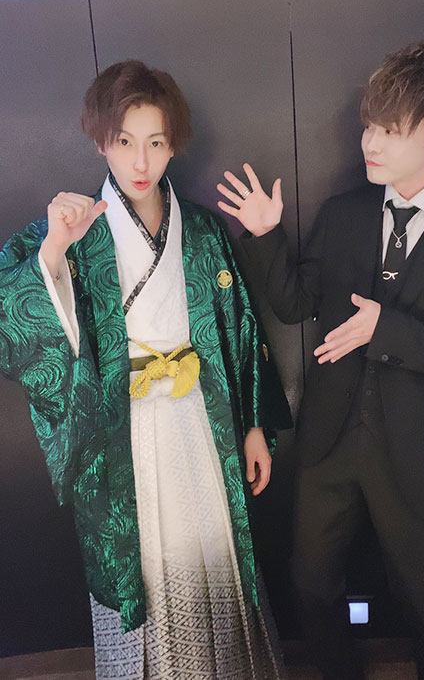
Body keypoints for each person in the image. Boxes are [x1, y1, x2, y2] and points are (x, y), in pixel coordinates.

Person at [217, 41, 424, 680]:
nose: (370, 142)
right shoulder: (346, 214)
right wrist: (264, 235)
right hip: (330, 440)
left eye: (391, 130)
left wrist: (386, 330)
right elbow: (294, 304)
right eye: (370, 125)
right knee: (312, 584)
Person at [0, 60, 291, 679]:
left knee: (209, 547)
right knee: (147, 559)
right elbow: (16, 319)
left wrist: (252, 426)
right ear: (100, 142)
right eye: (124, 141)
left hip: (199, 420)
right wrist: (54, 249)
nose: (140, 162)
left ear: (173, 145)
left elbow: (239, 329)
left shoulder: (203, 230)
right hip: (123, 429)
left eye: (156, 143)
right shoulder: (75, 230)